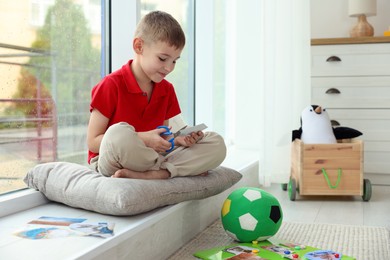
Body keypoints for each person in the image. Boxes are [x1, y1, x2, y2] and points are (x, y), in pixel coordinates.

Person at [87, 10, 226, 179]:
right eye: (162, 59)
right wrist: (143, 139)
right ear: (139, 46)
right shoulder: (111, 85)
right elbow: (93, 142)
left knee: (215, 142)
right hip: (115, 159)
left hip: (153, 158)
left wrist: (178, 140)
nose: (169, 68)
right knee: (118, 134)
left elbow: (164, 137)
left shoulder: (166, 90)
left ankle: (157, 173)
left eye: (174, 60)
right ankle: (166, 171)